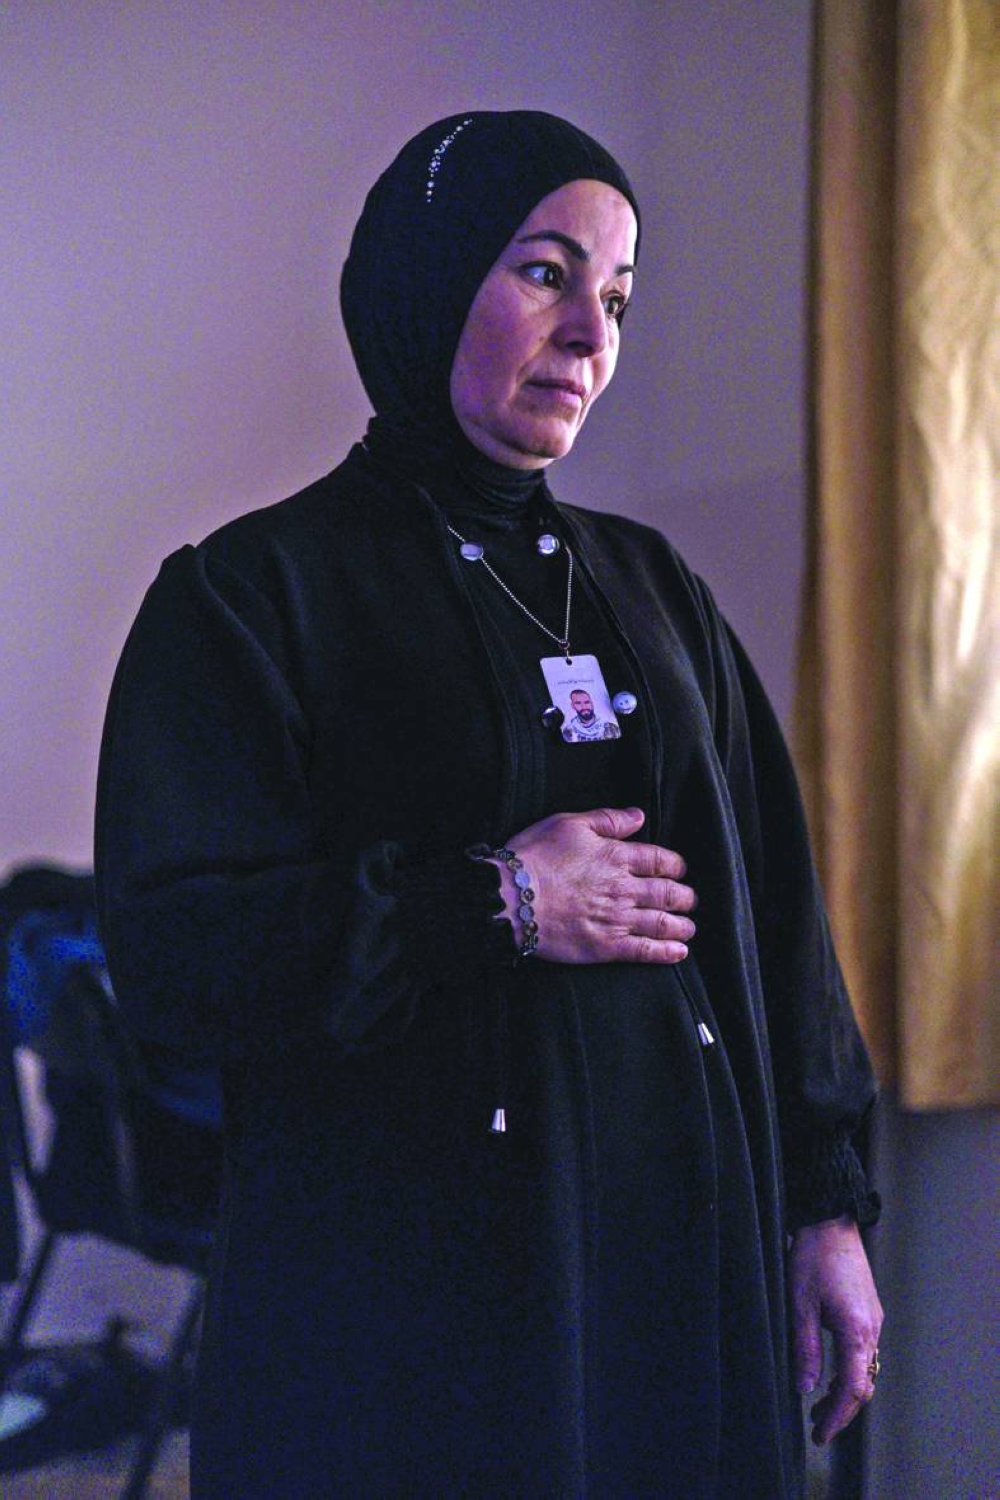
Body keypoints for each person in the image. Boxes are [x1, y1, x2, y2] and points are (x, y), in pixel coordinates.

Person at [94, 110, 883, 1499]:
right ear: (426, 279)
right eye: (544, 272)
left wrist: (828, 1207)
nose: (593, 333)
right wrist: (500, 898)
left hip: (675, 1250)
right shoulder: (249, 597)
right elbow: (177, 960)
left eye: (621, 297)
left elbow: (776, 904)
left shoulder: (656, 591)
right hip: (414, 1291)